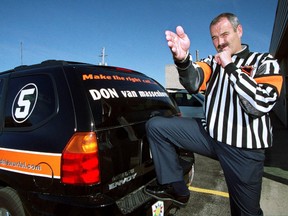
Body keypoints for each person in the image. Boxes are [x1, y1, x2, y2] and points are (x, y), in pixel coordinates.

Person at [144, 13, 283, 215]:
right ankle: (176, 188)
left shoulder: (265, 61)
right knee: (157, 126)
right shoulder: (212, 62)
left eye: (225, 35)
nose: (220, 42)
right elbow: (193, 82)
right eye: (214, 38)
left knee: (246, 212)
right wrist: (182, 60)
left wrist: (231, 67)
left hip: (244, 150)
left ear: (239, 31)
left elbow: (259, 105)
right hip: (211, 135)